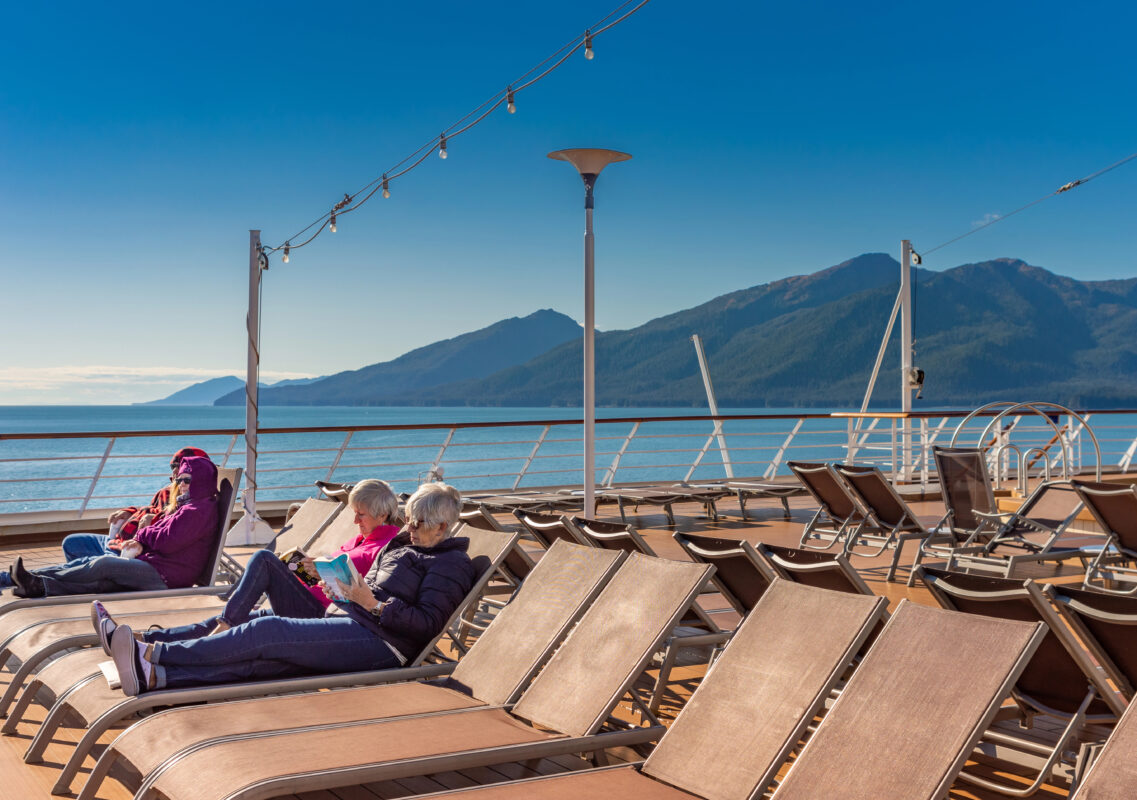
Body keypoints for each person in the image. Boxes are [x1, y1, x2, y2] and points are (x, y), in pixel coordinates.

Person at [106, 482, 475, 696]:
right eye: (409, 520)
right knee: (267, 659)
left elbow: (427, 623)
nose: (409, 529)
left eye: (420, 524)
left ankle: (155, 654)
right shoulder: (403, 546)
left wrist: (374, 605)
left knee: (266, 630)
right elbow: (366, 587)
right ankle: (156, 677)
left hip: (384, 643)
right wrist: (338, 589)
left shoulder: (450, 564)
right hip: (348, 618)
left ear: (444, 527)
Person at [94, 479, 401, 647]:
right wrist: (309, 567)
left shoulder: (386, 547)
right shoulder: (361, 539)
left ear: (383, 514)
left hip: (321, 617)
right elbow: (334, 579)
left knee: (264, 561)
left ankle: (225, 624)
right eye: (354, 511)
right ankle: (146, 640)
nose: (354, 519)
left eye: (361, 514)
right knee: (230, 616)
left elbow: (360, 591)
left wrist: (321, 568)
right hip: (310, 599)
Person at [8, 456, 220, 598]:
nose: (181, 483)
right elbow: (163, 533)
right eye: (180, 479)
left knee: (103, 565)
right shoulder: (188, 506)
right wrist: (142, 537)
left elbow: (167, 541)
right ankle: (35, 583)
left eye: (187, 479)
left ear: (201, 480)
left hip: (167, 576)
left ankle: (28, 579)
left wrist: (140, 536)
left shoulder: (198, 511)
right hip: (157, 565)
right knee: (96, 576)